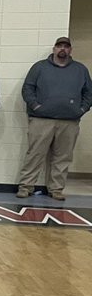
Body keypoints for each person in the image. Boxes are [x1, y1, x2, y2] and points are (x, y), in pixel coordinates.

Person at [17, 37, 92, 201]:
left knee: (63, 157)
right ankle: (26, 187)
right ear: (54, 49)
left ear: (70, 50)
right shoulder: (39, 67)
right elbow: (28, 89)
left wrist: (81, 110)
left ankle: (56, 189)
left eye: (66, 46)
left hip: (69, 122)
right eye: (59, 46)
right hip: (41, 120)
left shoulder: (80, 70)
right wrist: (36, 106)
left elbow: (89, 93)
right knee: (35, 154)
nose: (62, 49)